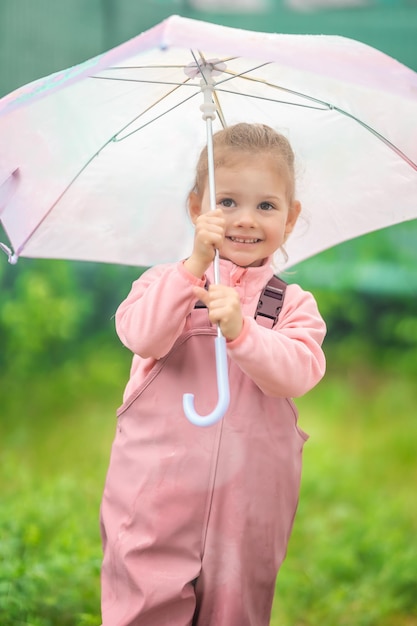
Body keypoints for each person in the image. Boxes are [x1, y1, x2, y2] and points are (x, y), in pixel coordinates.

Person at [100, 122, 326, 626]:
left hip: (247, 502)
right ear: (196, 207)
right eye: (226, 202)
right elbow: (142, 334)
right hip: (155, 490)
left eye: (266, 206)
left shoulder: (292, 304)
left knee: (236, 609)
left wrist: (245, 333)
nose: (245, 220)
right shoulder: (164, 283)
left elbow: (298, 372)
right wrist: (191, 270)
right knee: (145, 600)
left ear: (290, 218)